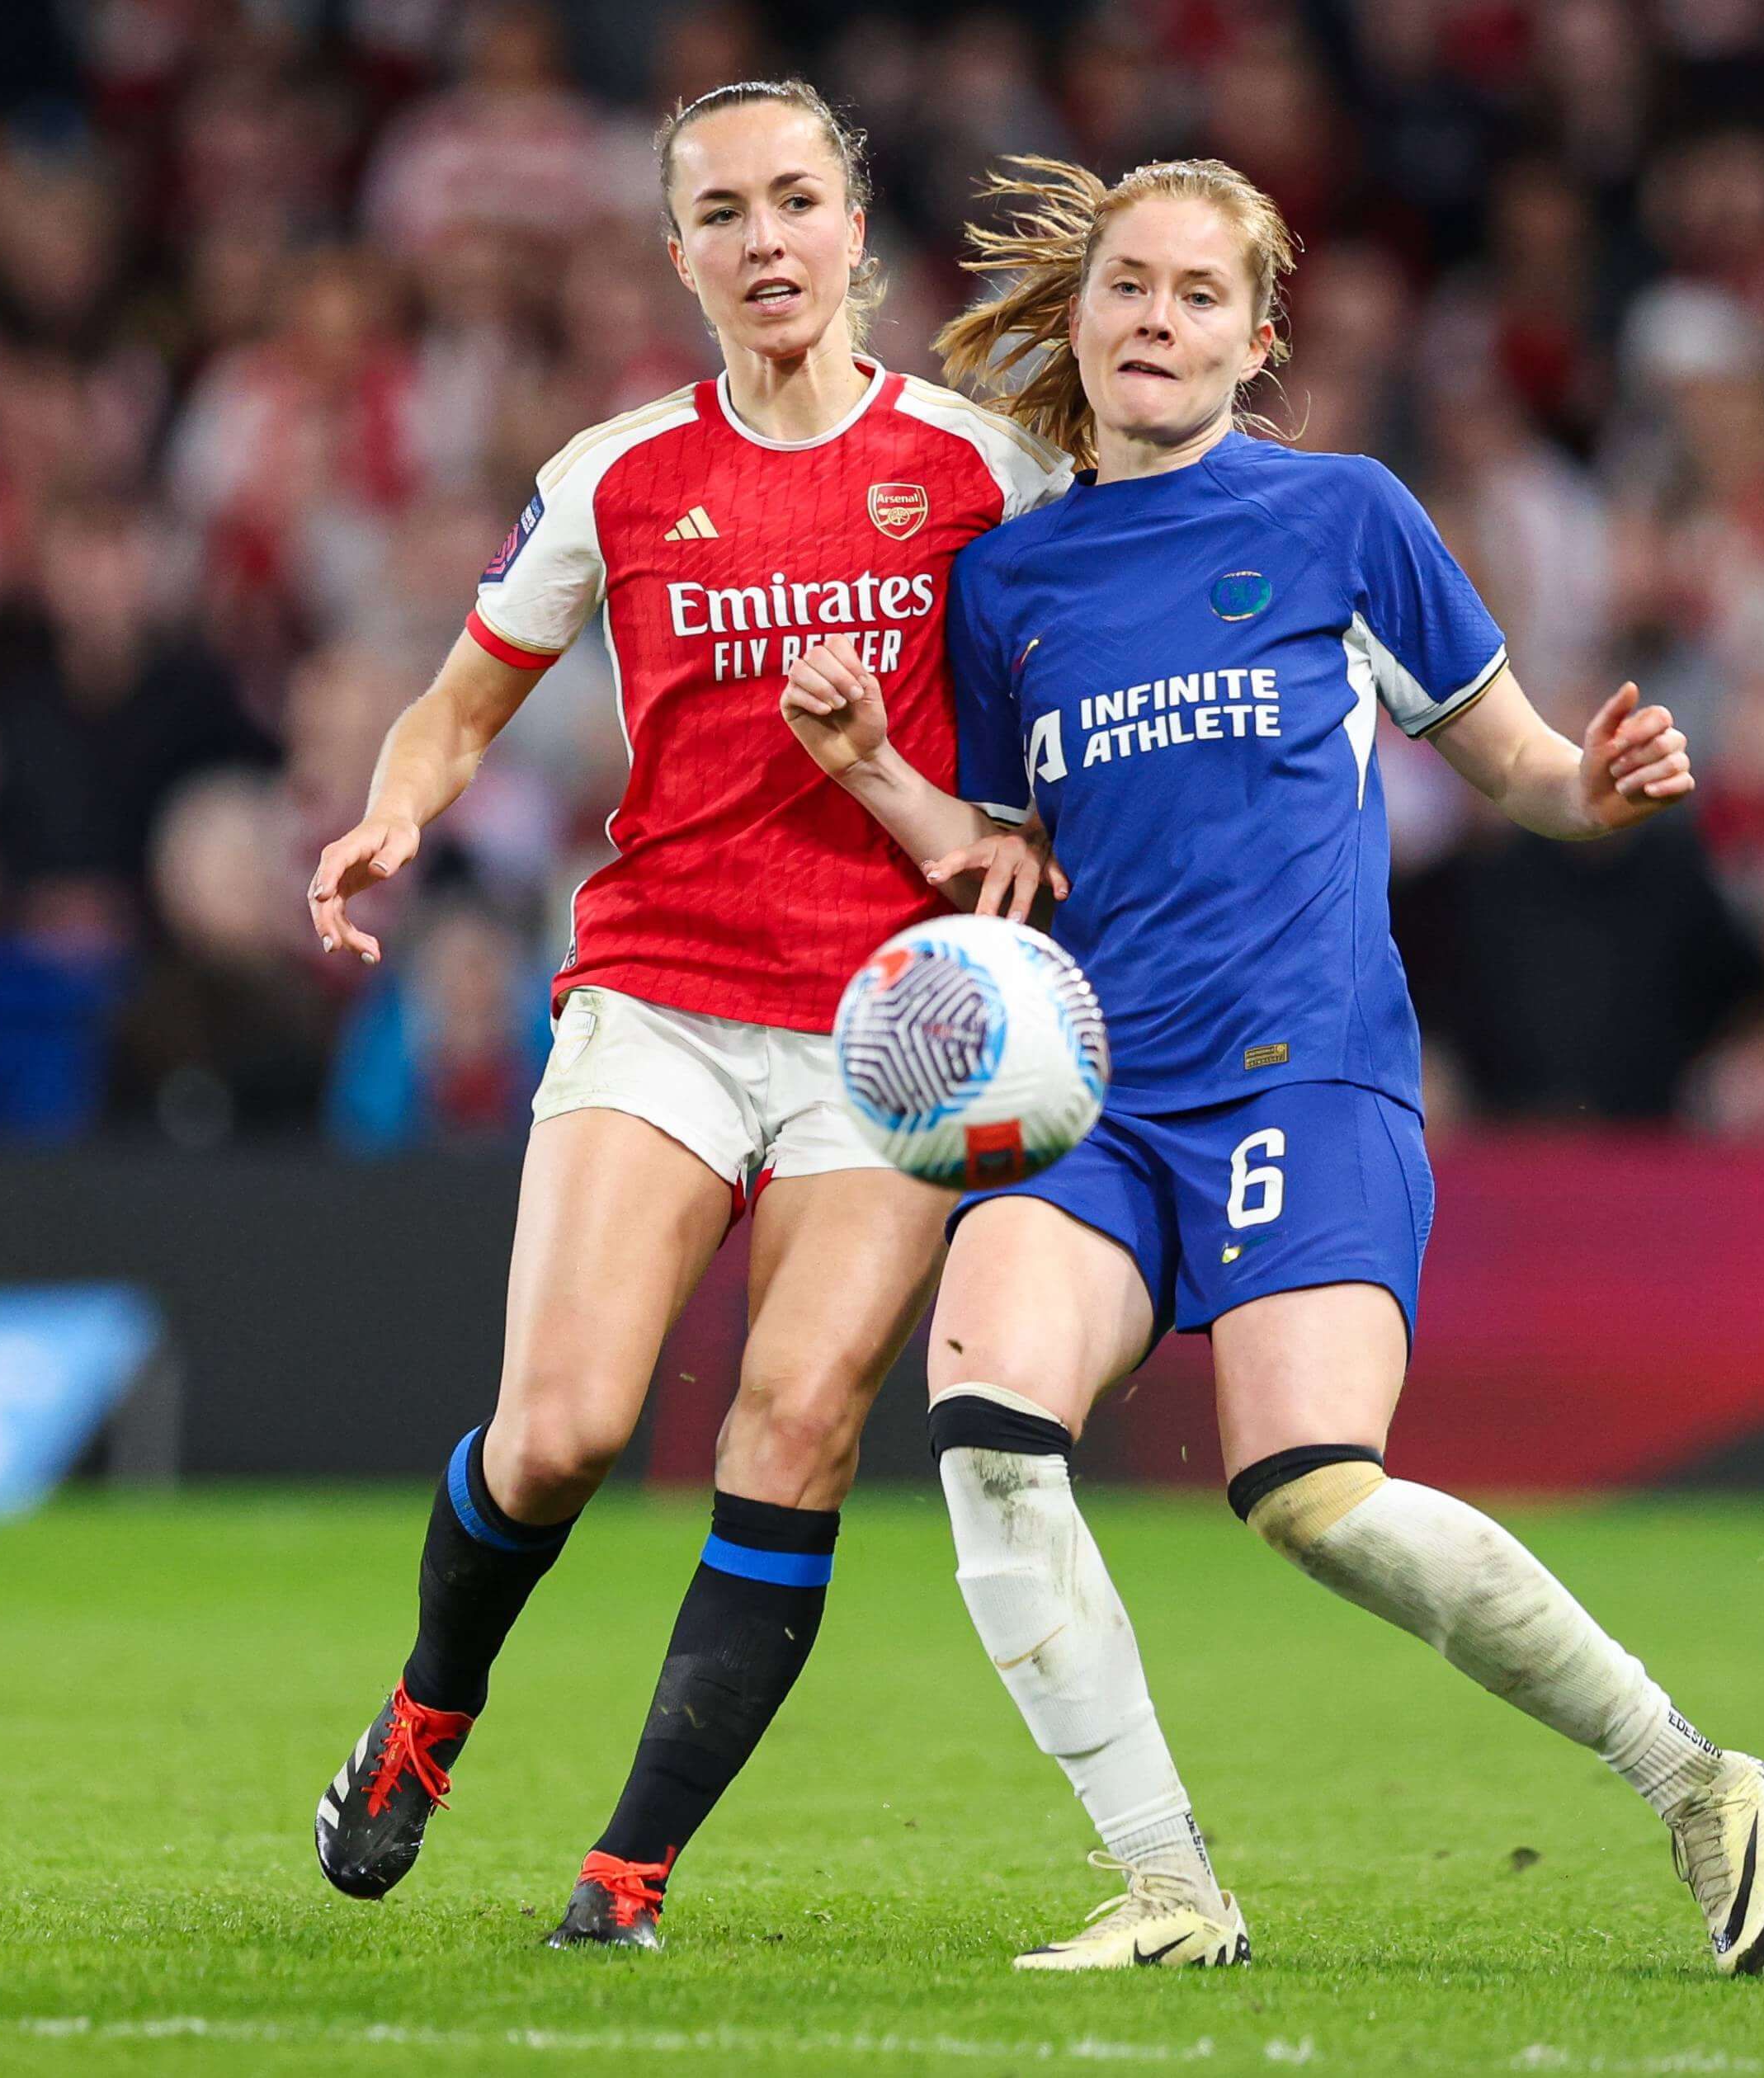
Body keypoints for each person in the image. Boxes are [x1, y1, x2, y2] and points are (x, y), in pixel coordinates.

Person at [780, 156, 1764, 1974]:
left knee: (1307, 1493)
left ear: (1254, 341)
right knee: (987, 1433)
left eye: (1197, 297)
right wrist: (877, 771)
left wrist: (1593, 787)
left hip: (1297, 1073)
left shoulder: (1343, 516)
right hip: (1094, 1097)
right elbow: (1008, 851)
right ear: (1080, 316)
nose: (1154, 322)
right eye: (1127, 289)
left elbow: (1508, 762)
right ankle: (1171, 1887)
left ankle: (1696, 1781)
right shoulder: (1006, 582)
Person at [302, 80, 1067, 1950]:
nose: (763, 241)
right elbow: (461, 703)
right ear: (678, 258)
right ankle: (425, 1714)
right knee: (558, 1434)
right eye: (720, 214)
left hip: (890, 1025)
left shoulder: (985, 470)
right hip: (658, 989)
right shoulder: (616, 473)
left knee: (791, 1428)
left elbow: (1054, 744)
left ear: (853, 228)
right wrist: (401, 801)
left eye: (793, 201)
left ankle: (624, 1876)